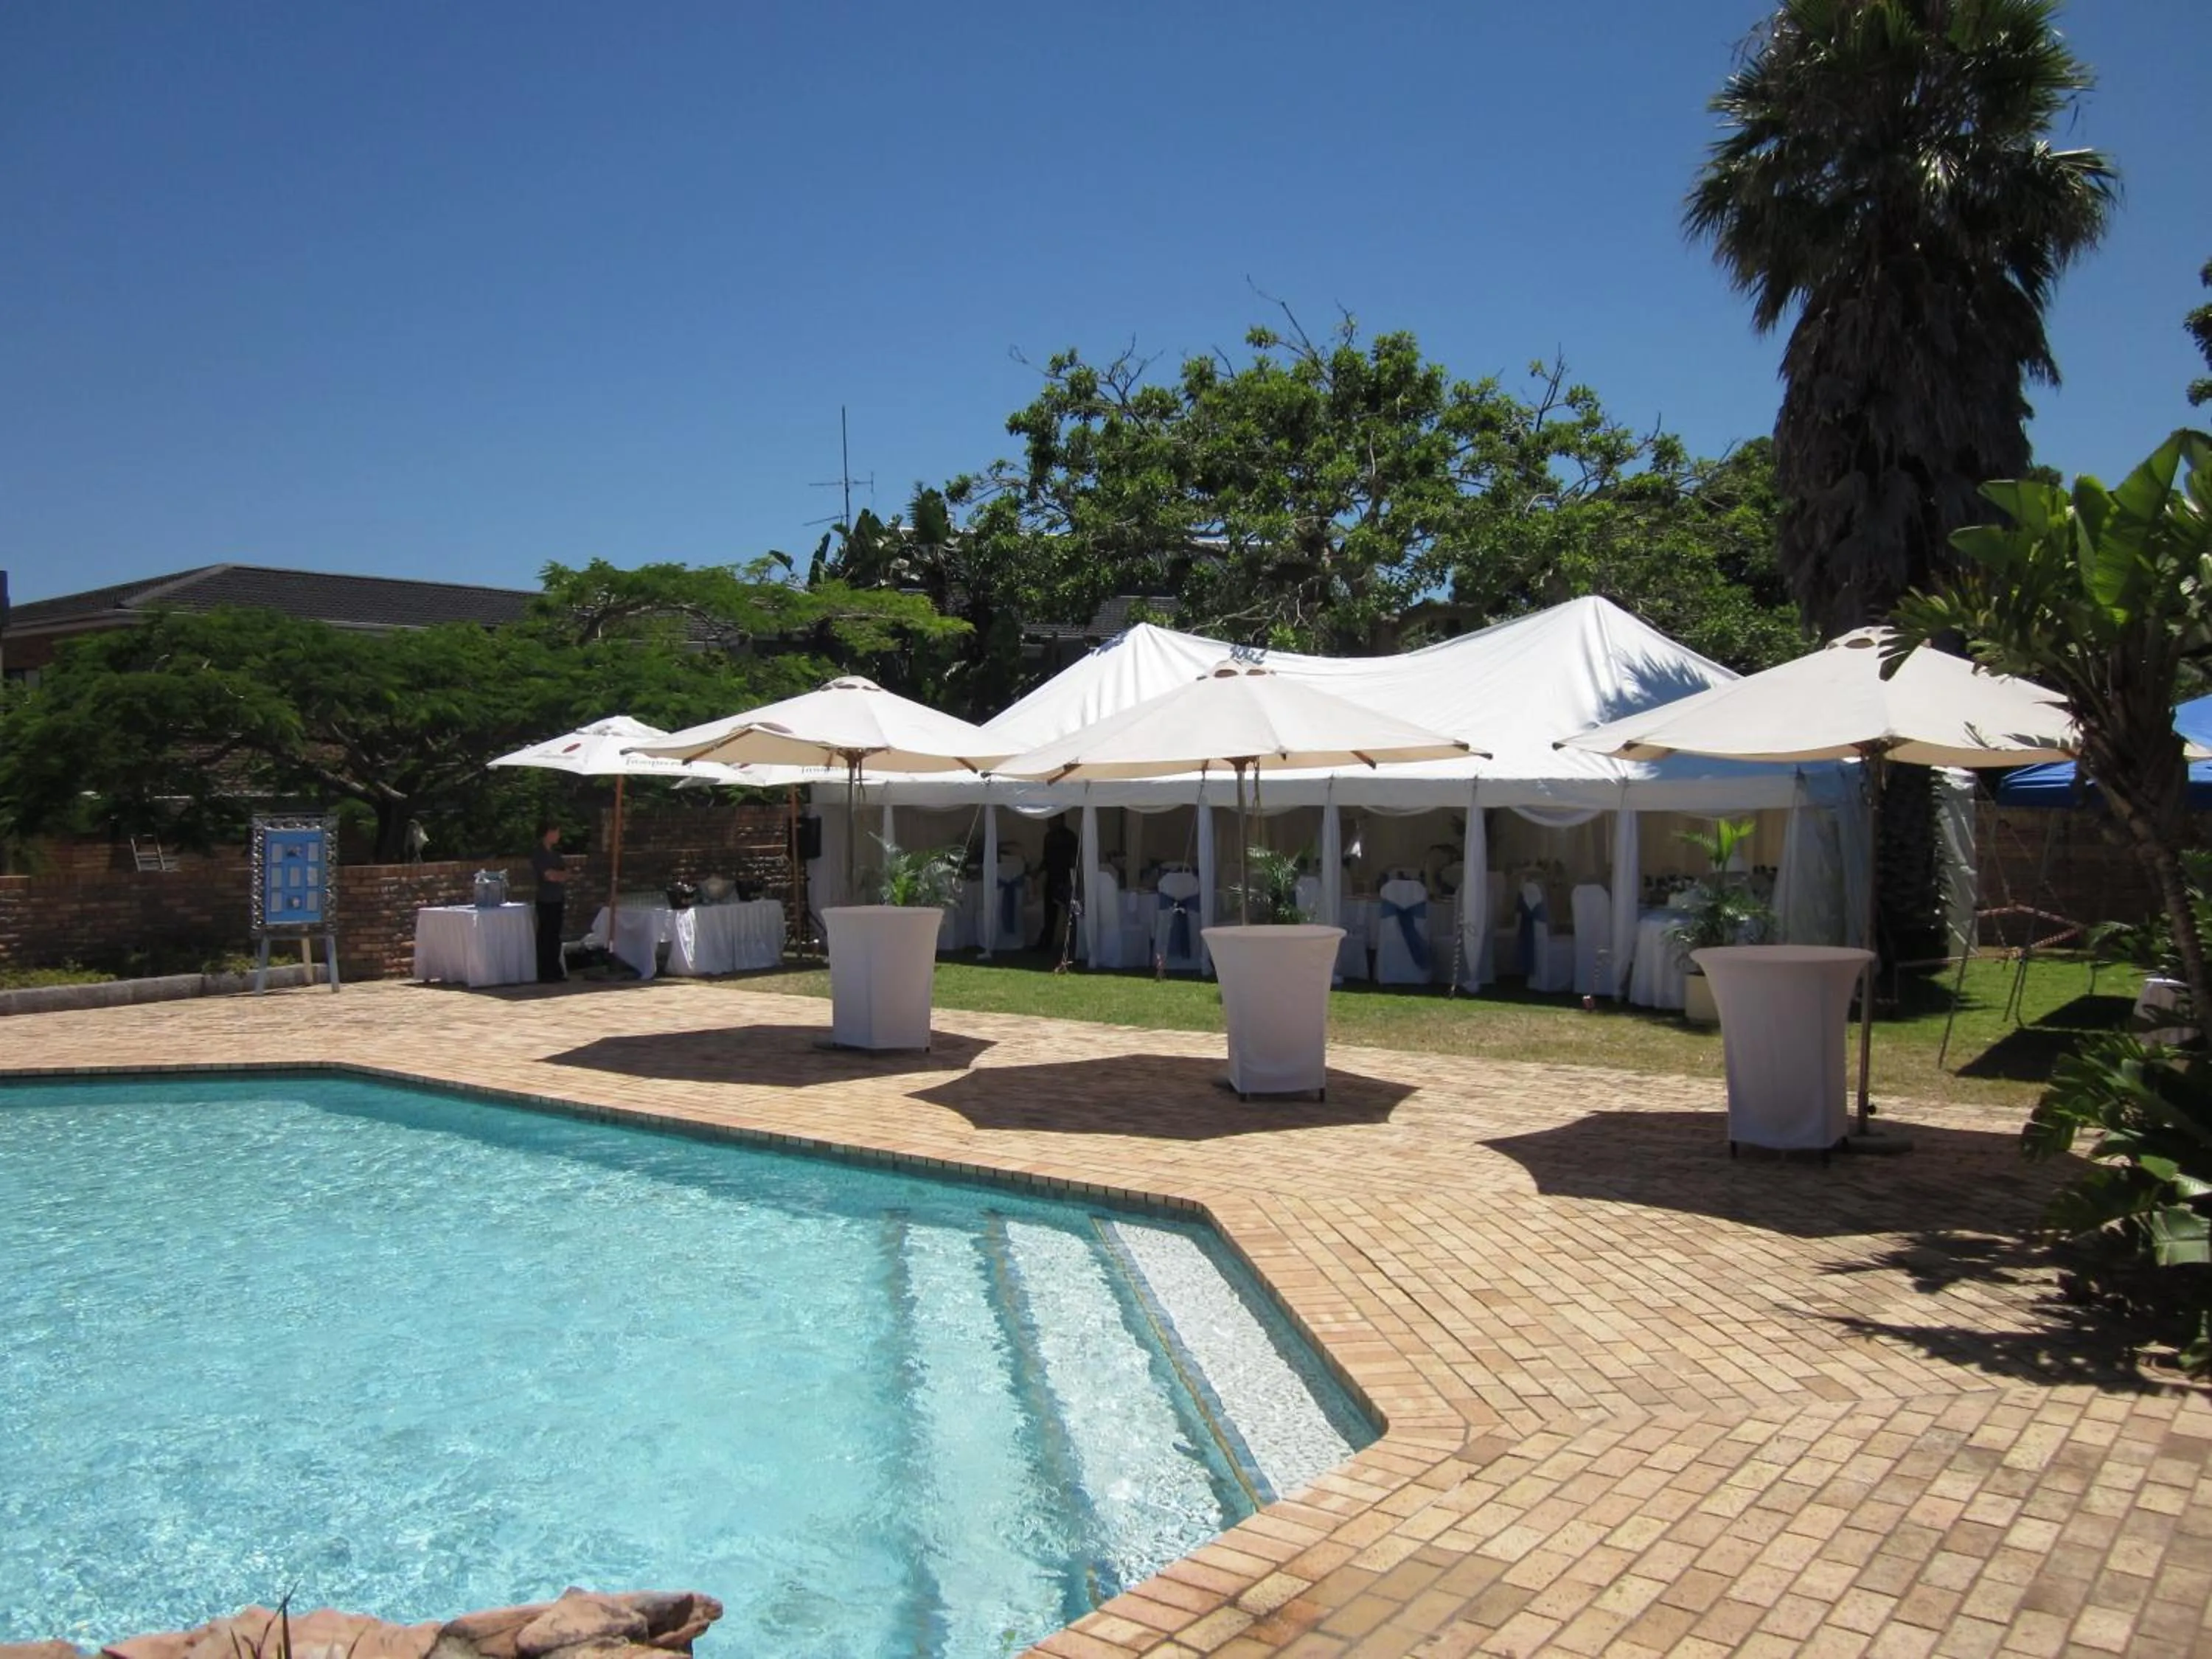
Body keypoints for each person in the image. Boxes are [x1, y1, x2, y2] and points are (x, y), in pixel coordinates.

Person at [1034, 813, 1079, 956]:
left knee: (1070, 913)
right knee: (1049, 913)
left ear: (1060, 820)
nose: (1049, 822)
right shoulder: (1048, 837)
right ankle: (1046, 943)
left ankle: (1073, 945)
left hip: (1065, 878)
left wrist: (1074, 879)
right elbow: (1046, 859)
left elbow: (1075, 859)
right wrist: (1037, 872)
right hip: (1052, 878)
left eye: (1052, 819)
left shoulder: (1070, 837)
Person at [531, 822, 568, 983]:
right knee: (545, 935)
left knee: (555, 935)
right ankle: (544, 971)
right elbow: (549, 875)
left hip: (557, 897)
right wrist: (557, 875)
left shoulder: (556, 855)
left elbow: (565, 874)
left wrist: (559, 875)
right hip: (545, 899)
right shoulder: (539, 854)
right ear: (548, 833)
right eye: (556, 832)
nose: (558, 835)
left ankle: (555, 970)